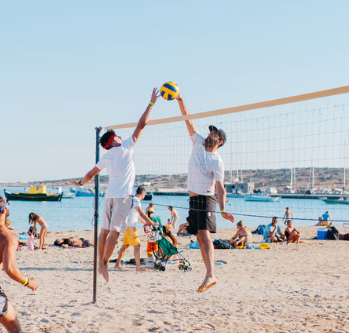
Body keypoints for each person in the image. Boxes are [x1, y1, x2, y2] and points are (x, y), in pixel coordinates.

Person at [69, 88, 161, 283]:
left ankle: (100, 263)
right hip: (123, 197)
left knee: (104, 231)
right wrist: (151, 103)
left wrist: (80, 183)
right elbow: (142, 123)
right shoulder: (126, 146)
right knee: (115, 233)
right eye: (117, 135)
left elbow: (91, 174)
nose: (120, 135)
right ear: (114, 140)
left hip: (110, 196)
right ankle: (103, 264)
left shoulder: (107, 155)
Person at [176, 92, 235, 293]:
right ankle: (209, 274)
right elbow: (188, 120)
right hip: (193, 199)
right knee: (200, 238)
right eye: (210, 132)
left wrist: (223, 208)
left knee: (205, 235)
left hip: (206, 198)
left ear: (220, 142)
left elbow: (220, 187)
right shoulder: (198, 142)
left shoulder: (217, 161)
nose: (210, 134)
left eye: (214, 134)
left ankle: (211, 274)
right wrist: (180, 99)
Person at [0, 197, 39, 332]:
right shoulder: (8, 237)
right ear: (4, 210)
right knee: (15, 329)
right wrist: (28, 282)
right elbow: (9, 268)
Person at [115, 186, 157, 271]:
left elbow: (136, 216)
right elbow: (141, 213)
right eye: (145, 194)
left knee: (125, 246)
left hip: (127, 226)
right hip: (130, 227)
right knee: (137, 245)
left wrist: (146, 223)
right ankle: (138, 267)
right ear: (142, 194)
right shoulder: (137, 200)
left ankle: (117, 264)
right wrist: (151, 222)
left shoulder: (132, 199)